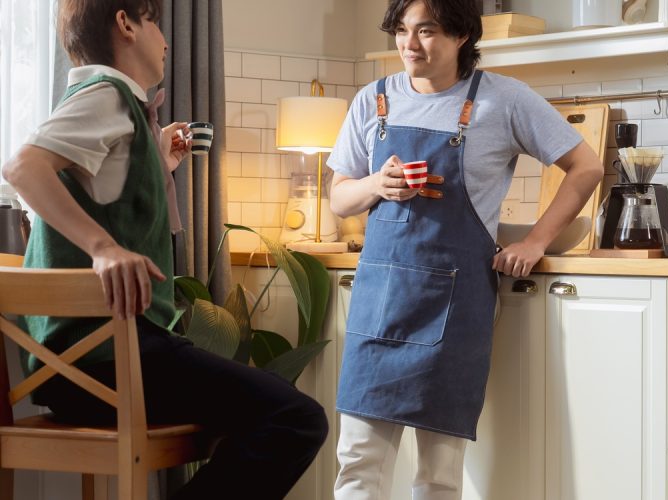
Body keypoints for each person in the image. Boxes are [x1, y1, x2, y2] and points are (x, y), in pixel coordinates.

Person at [1, 1, 327, 498]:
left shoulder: (111, 105)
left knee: (262, 414)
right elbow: (22, 168)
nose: (164, 34)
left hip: (73, 370)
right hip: (112, 362)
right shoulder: (107, 94)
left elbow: (107, 192)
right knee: (295, 418)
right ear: (125, 23)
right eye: (153, 19)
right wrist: (103, 248)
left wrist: (157, 164)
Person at [327, 0, 604, 498]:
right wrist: (376, 185)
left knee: (438, 474)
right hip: (378, 305)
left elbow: (587, 166)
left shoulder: (503, 100)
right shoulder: (372, 100)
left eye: (426, 31)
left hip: (453, 309)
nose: (410, 45)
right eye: (402, 31)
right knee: (357, 462)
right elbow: (339, 198)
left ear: (460, 36)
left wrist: (535, 240)